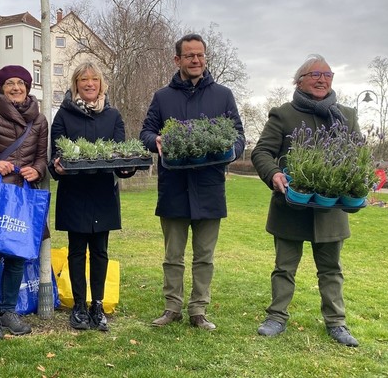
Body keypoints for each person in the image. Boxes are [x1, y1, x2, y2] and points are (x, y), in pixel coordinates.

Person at [251, 54, 360, 347]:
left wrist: (356, 180)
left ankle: (336, 323)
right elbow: (261, 152)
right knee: (284, 267)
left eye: (327, 74)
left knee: (331, 269)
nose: (322, 79)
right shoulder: (283, 114)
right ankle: (276, 317)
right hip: (291, 204)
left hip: (331, 208)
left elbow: (356, 156)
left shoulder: (347, 115)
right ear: (299, 81)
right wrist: (274, 174)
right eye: (315, 74)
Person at [139, 33, 245, 330]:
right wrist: (156, 140)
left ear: (205, 58)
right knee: (173, 255)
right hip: (173, 186)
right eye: (189, 56)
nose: (196, 60)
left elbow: (239, 136)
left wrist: (231, 151)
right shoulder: (162, 97)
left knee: (204, 256)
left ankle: (198, 310)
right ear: (178, 60)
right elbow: (146, 132)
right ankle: (172, 307)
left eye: (200, 55)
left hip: (210, 188)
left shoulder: (223, 95)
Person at [49, 62, 135, 331]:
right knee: (76, 252)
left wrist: (127, 166)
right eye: (83, 79)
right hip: (74, 194)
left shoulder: (113, 116)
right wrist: (58, 167)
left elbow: (122, 156)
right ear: (75, 84)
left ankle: (97, 305)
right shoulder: (63, 116)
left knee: (100, 251)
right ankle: (78, 306)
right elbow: (55, 158)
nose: (89, 84)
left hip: (102, 194)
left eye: (94, 80)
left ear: (101, 84)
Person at [0, 65, 49, 340]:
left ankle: (9, 312)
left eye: (21, 83)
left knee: (17, 256)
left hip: (23, 198)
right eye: (10, 83)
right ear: (1, 88)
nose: (16, 88)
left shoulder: (39, 121)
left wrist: (37, 170)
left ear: (28, 87)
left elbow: (41, 158)